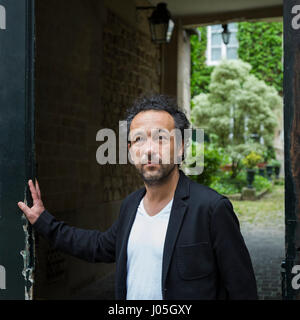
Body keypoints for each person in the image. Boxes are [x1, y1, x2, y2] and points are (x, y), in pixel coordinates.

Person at [18, 94, 258, 300]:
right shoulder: (131, 206)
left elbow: (242, 290)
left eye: (161, 138)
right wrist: (43, 221)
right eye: (139, 139)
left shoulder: (211, 209)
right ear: (131, 150)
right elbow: (99, 247)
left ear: (182, 147)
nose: (149, 149)